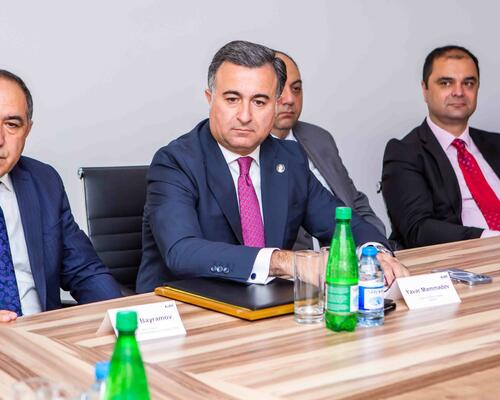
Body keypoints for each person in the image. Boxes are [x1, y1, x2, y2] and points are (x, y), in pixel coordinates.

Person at [137, 40, 408, 293]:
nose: (245, 116)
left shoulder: (289, 159)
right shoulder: (175, 162)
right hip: (185, 308)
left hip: (266, 306)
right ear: (210, 98)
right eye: (232, 99)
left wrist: (374, 252)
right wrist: (285, 262)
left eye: (259, 102)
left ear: (276, 106)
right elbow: (182, 252)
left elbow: (343, 223)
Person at [0, 70, 122, 323]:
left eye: (12, 124)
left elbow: (84, 270)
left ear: (27, 130)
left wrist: (121, 315)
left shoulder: (44, 182)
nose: (0, 139)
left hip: (41, 334)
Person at [382, 45, 500, 248]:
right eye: (446, 83)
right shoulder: (405, 153)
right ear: (425, 90)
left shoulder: (496, 144)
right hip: (466, 259)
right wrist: (492, 239)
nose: (459, 92)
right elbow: (418, 228)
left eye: (468, 83)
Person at [270, 51, 386, 252]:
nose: (289, 99)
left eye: (296, 88)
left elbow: (355, 202)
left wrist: (372, 246)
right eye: (279, 89)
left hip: (354, 257)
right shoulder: (250, 152)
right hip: (297, 265)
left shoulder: (319, 138)